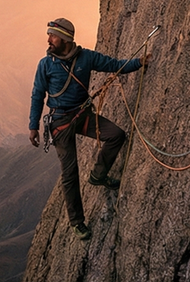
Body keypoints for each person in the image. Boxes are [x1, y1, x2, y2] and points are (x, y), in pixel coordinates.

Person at [27, 18, 150, 240]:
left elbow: (115, 65)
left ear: (65, 39)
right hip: (60, 123)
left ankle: (98, 175)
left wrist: (139, 62)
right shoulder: (45, 64)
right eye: (49, 35)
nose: (48, 39)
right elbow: (38, 95)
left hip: (82, 116)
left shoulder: (86, 58)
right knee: (70, 173)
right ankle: (77, 222)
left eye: (53, 35)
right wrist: (33, 126)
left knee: (116, 135)